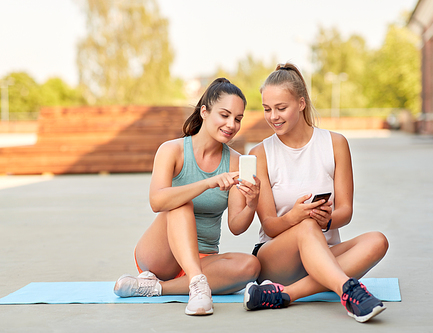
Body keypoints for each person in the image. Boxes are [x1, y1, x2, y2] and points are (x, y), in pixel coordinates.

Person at [243, 64, 389, 323]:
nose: (273, 116)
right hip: (278, 258)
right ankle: (349, 290)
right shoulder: (261, 154)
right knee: (307, 226)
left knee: (378, 240)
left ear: (301, 103)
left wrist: (328, 221)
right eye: (267, 109)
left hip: (324, 252)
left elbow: (345, 211)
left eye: (281, 108)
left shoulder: (335, 144)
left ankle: (284, 295)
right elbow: (269, 225)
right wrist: (296, 218)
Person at [114, 78, 261, 316]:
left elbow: (236, 226)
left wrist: (252, 203)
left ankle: (156, 288)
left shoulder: (234, 160)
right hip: (161, 255)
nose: (231, 124)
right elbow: (157, 202)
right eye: (224, 115)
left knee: (251, 265)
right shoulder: (172, 150)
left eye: (238, 118)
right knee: (181, 203)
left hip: (205, 258)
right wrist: (207, 183)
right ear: (204, 111)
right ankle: (198, 286)